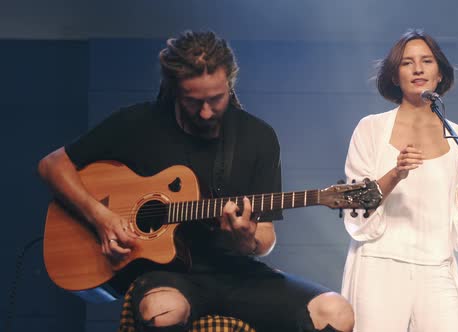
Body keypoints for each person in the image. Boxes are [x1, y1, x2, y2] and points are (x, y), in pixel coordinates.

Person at [38, 30, 354, 332]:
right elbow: (52, 165)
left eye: (216, 99)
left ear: (230, 84)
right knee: (162, 311)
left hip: (239, 275)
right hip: (168, 277)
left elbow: (266, 237)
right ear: (174, 89)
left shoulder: (258, 137)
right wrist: (101, 217)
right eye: (193, 101)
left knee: (335, 313)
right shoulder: (137, 124)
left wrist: (245, 239)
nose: (205, 112)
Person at [340, 29, 458, 332]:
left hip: (436, 265)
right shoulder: (370, 129)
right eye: (407, 63)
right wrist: (395, 173)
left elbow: (453, 217)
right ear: (394, 75)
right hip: (381, 264)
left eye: (426, 61)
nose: (417, 69)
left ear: (440, 73)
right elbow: (354, 207)